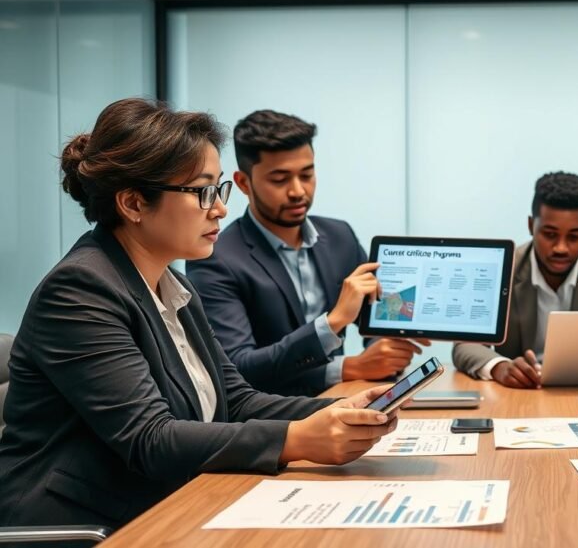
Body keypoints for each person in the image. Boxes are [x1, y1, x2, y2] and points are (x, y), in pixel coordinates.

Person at [0, 99, 397, 531]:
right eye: (202, 192)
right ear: (133, 203)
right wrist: (297, 439)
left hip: (164, 503)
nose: (221, 209)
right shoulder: (80, 291)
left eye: (219, 190)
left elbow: (236, 400)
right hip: (83, 524)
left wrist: (338, 410)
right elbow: (150, 438)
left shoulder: (173, 284)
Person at [187, 110, 426, 396]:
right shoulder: (217, 257)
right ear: (243, 183)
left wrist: (384, 351)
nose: (298, 191)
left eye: (307, 174)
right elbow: (239, 368)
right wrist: (339, 339)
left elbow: (375, 317)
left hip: (342, 402)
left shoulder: (341, 237)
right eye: (280, 179)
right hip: (272, 420)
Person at [453, 171, 578, 388]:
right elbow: (465, 344)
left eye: (574, 237)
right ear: (531, 226)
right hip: (520, 395)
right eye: (550, 234)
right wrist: (500, 367)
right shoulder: (502, 269)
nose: (561, 247)